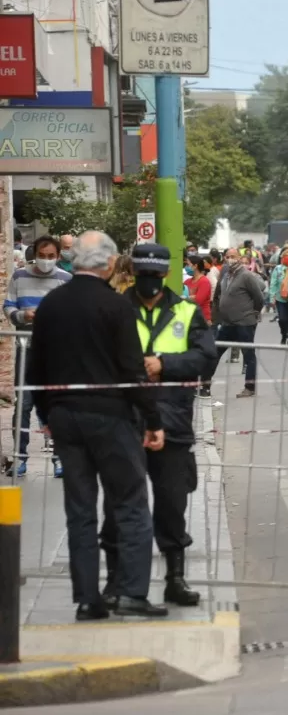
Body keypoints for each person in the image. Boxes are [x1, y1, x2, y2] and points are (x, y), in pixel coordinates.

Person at [27, 231, 168, 620]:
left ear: (75, 262)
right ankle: (131, 592)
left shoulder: (52, 304)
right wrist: (153, 420)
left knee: (80, 508)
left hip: (65, 416)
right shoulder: (116, 306)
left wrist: (47, 416)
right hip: (111, 417)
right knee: (130, 503)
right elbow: (132, 370)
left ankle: (88, 599)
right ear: (108, 264)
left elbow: (35, 366)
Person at [99, 244, 216, 609]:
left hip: (172, 419)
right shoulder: (115, 309)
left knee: (171, 503)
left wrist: (164, 363)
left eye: (154, 274)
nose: (148, 280)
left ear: (165, 274)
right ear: (133, 273)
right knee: (120, 503)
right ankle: (117, 582)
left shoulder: (186, 310)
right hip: (125, 419)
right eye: (142, 273)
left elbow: (205, 357)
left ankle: (175, 579)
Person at [5, 235, 71, 477]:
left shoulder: (66, 280)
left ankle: (59, 459)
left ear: (58, 257)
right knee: (23, 405)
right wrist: (24, 316)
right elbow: (9, 306)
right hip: (27, 349)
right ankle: (19, 458)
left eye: (51, 256)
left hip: (56, 353)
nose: (46, 261)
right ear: (34, 254)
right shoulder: (19, 276)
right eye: (42, 256)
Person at [212, 247, 265, 398]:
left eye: (233, 256)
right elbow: (218, 296)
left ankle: (250, 387)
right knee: (215, 351)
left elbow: (259, 298)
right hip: (228, 323)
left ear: (240, 257)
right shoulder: (226, 276)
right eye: (228, 256)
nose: (230, 259)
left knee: (248, 355)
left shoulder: (247, 276)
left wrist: (253, 313)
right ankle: (204, 383)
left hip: (244, 323)